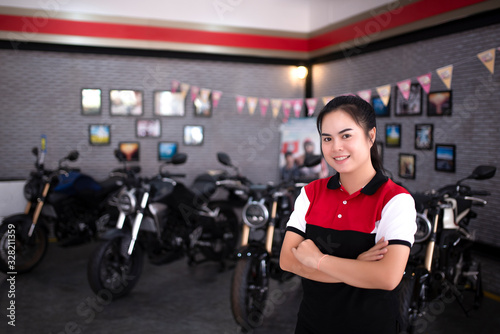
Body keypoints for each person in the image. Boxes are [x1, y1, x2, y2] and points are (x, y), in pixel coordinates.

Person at [279, 95, 417, 334]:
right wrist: (357, 267)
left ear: (370, 136)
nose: (336, 148)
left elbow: (387, 277)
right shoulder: (311, 193)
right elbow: (288, 261)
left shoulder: (395, 200)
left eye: (346, 135)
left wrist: (318, 260)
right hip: (311, 325)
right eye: (327, 138)